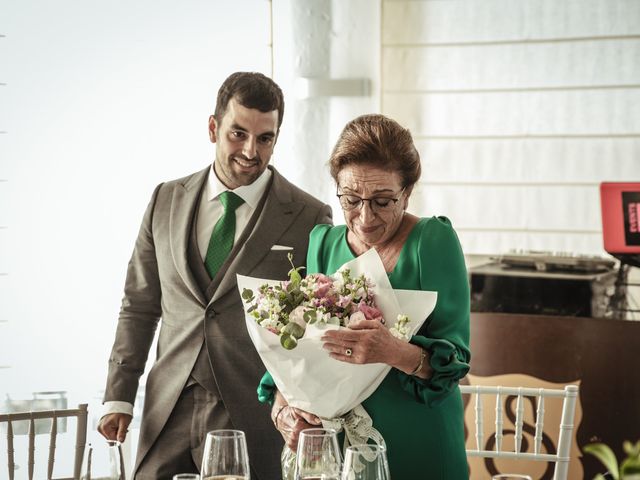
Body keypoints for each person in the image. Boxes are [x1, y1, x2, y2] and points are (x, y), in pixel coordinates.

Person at [97, 71, 332, 480]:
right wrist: (118, 396)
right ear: (213, 127)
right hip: (166, 407)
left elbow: (316, 322)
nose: (250, 151)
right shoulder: (165, 199)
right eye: (237, 134)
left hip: (252, 410)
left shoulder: (309, 216)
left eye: (265, 138)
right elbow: (139, 303)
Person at [258, 114, 471, 479]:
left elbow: (454, 365)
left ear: (407, 191)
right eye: (351, 199)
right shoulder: (322, 243)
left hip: (419, 447)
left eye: (384, 201)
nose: (365, 216)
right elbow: (298, 357)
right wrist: (284, 412)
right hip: (337, 453)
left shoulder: (432, 242)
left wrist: (391, 350)